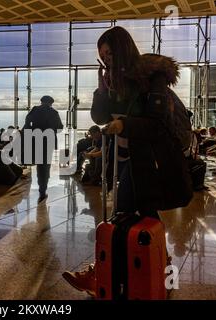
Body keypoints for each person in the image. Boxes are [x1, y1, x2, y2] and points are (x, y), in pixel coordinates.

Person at [62, 26, 192, 296]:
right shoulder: (114, 81)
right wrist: (101, 89)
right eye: (102, 56)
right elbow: (99, 118)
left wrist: (124, 124)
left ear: (122, 50)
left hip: (151, 160)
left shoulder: (151, 76)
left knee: (124, 214)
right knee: (144, 215)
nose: (106, 60)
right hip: (128, 159)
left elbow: (158, 125)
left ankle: (101, 273)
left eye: (109, 53)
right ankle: (160, 270)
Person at [23, 95, 64, 203]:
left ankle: (42, 187)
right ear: (51, 103)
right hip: (48, 142)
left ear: (41, 102)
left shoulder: (34, 110)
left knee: (40, 165)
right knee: (45, 166)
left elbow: (27, 124)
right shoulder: (54, 113)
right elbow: (60, 128)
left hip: (35, 141)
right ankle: (42, 190)